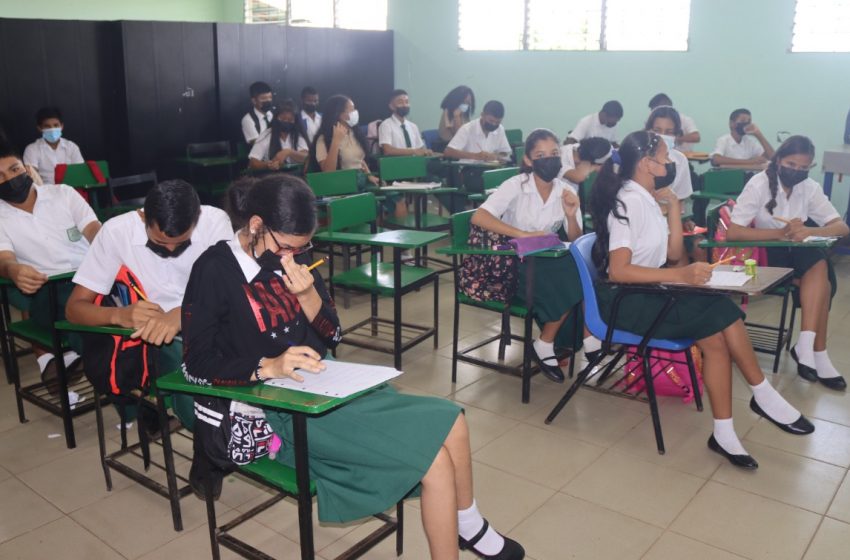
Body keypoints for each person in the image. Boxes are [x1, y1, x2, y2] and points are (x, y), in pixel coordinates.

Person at [182, 175, 526, 560]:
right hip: (276, 408)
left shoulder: (292, 259)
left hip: (325, 383)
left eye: (302, 247)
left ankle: (468, 525)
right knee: (435, 460)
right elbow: (195, 364)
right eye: (285, 247)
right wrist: (267, 366)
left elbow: (333, 334)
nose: (291, 257)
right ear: (257, 225)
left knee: (453, 420)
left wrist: (309, 295)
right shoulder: (215, 269)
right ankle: (464, 531)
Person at [589, 130, 814, 470]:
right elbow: (619, 270)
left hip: (650, 292)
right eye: (665, 158)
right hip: (626, 302)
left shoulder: (646, 198)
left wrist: (674, 207)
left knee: (717, 337)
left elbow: (674, 253)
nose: (670, 163)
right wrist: (679, 276)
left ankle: (724, 433)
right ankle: (762, 394)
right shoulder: (627, 201)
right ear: (648, 164)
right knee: (720, 310)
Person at [65, 180, 233, 425]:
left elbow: (229, 289)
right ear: (143, 217)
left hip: (209, 318)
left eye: (182, 242)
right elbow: (74, 308)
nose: (171, 249)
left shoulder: (214, 221)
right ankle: (209, 422)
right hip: (154, 340)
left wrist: (181, 314)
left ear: (197, 217)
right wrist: (119, 315)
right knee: (195, 368)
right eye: (160, 243)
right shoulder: (115, 232)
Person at [727, 135, 849, 390]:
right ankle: (816, 352)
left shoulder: (810, 187)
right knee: (822, 282)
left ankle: (807, 346)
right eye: (792, 165)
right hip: (766, 252)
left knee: (817, 263)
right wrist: (780, 234)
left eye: (804, 168)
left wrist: (807, 231)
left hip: (798, 251)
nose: (797, 172)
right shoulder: (759, 184)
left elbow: (841, 227)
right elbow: (734, 232)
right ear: (779, 159)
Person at [471, 129, 592, 382]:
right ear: (528, 160)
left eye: (555, 154)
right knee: (570, 274)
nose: (549, 159)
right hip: (512, 262)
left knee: (581, 268)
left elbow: (575, 238)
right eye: (541, 155)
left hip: (545, 258)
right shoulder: (516, 185)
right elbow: (479, 217)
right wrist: (520, 234)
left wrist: (570, 214)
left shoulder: (565, 189)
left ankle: (553, 341)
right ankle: (566, 340)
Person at [0, 143, 99, 395]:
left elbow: (94, 230)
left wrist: (112, 247)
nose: (10, 179)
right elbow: (5, 260)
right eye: (0, 177)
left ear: (26, 167)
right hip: (47, 289)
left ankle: (68, 360)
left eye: (14, 169)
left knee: (97, 326)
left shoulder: (63, 194)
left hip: (90, 278)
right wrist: (14, 270)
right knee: (91, 327)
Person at [311, 95, 406, 220]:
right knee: (373, 205)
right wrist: (335, 141)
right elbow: (328, 172)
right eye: (351, 109)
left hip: (361, 180)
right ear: (339, 114)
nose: (355, 112)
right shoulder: (324, 139)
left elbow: (359, 160)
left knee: (397, 199)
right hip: (342, 186)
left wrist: (369, 175)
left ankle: (398, 233)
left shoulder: (354, 132)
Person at [23, 106, 84, 186]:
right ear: (40, 128)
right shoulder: (32, 149)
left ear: (62, 126)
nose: (52, 129)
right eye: (47, 126)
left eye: (56, 125)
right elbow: (32, 178)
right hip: (44, 193)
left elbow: (80, 173)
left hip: (71, 191)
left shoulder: (72, 147)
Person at [248, 101, 309, 171]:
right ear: (276, 117)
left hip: (296, 176)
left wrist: (288, 152)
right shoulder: (267, 134)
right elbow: (252, 162)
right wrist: (268, 165)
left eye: (290, 120)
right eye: (282, 119)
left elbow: (306, 156)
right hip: (274, 176)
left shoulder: (297, 134)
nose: (286, 121)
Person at [444, 100, 511, 162]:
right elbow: (448, 152)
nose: (493, 124)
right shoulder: (467, 129)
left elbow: (505, 152)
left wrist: (496, 156)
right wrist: (475, 156)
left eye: (497, 122)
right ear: (482, 115)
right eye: (491, 120)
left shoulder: (500, 129)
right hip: (469, 169)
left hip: (491, 169)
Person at [710, 108, 775, 167]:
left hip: (748, 176)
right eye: (743, 121)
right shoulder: (724, 140)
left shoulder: (750, 141)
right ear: (731, 123)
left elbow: (773, 157)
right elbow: (716, 159)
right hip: (728, 176)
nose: (746, 123)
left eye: (749, 121)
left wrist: (759, 135)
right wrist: (750, 162)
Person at [378, 89, 433, 157]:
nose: (405, 105)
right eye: (400, 102)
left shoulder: (413, 126)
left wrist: (425, 152)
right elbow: (387, 150)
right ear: (391, 106)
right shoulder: (386, 125)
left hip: (414, 162)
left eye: (407, 102)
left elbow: (419, 149)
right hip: (396, 163)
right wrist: (412, 151)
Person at [241, 81, 274, 145]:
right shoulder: (248, 120)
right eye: (264, 98)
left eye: (270, 97)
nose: (268, 101)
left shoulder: (274, 115)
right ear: (254, 101)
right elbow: (257, 145)